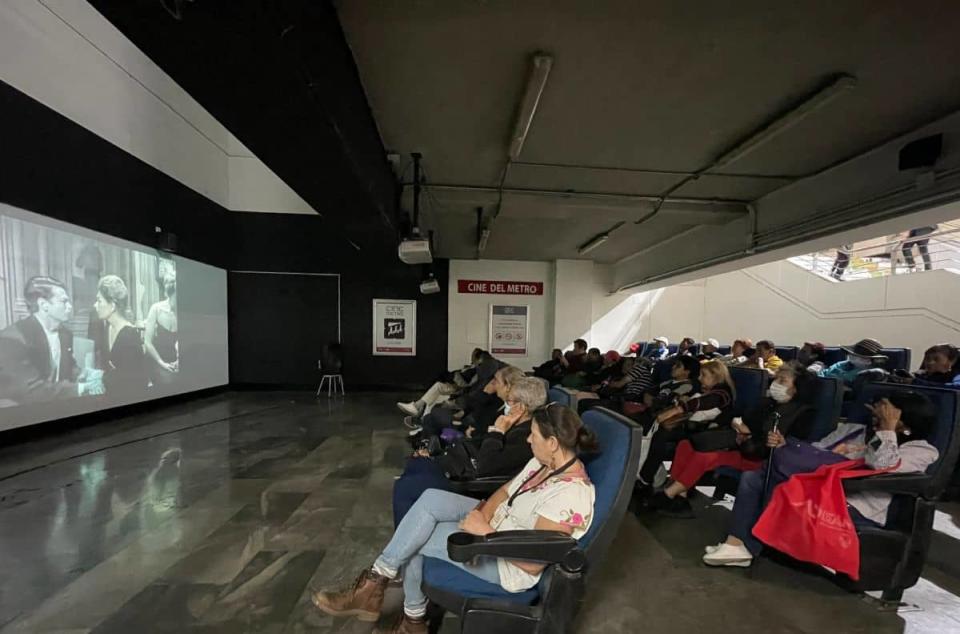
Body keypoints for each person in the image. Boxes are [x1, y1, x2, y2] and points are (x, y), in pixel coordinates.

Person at [312, 404, 598, 633]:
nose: (527, 439)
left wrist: (483, 533)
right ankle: (385, 591)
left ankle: (400, 610)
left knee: (416, 537)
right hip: (496, 523)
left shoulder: (571, 495)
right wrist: (481, 515)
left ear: (552, 442)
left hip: (508, 563)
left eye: (532, 435)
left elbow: (533, 563)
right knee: (431, 500)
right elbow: (504, 491)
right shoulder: (543, 462)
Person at [703, 390, 938, 567]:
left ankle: (743, 547)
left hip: (855, 505)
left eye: (884, 410)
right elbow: (826, 453)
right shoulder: (867, 435)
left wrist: (887, 428)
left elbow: (883, 466)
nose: (875, 413)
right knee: (755, 477)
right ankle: (737, 543)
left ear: (904, 419)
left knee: (772, 484)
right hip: (830, 491)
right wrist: (790, 447)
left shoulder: (923, 450)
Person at [647, 363, 817, 517]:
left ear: (797, 388)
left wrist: (753, 433)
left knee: (705, 456)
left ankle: (668, 494)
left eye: (783, 380)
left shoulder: (803, 413)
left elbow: (795, 444)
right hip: (739, 445)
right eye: (777, 378)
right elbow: (742, 416)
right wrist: (738, 425)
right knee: (686, 444)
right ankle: (681, 497)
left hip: (762, 458)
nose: (776, 383)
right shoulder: (767, 402)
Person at [391, 377, 546, 527]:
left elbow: (486, 465)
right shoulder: (512, 423)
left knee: (405, 487)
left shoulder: (526, 437)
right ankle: (411, 531)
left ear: (521, 408)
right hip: (463, 461)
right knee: (414, 464)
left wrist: (497, 432)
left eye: (510, 401)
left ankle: (405, 540)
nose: (506, 403)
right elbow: (480, 442)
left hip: (468, 480)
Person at [0, 276, 103, 403]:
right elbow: (31, 391)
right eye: (64, 301)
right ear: (44, 305)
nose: (70, 307)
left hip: (56, 405)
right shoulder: (13, 339)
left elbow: (69, 368)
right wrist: (82, 388)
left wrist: (89, 374)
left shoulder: (65, 334)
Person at [636, 360, 734, 491]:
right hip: (695, 427)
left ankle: (646, 479)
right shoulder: (712, 389)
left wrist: (677, 409)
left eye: (703, 375)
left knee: (661, 435)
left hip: (707, 433)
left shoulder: (723, 392)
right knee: (658, 431)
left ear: (716, 376)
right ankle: (646, 475)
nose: (699, 379)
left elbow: (704, 402)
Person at [412, 365, 523, 439]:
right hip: (470, 427)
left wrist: (484, 393)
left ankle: (428, 446)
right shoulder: (500, 401)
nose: (493, 383)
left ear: (507, 386)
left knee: (434, 416)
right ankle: (428, 446)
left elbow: (482, 422)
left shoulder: (508, 409)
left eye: (496, 381)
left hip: (472, 435)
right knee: (429, 419)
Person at [93, 275, 147, 397]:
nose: (95, 305)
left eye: (99, 301)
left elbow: (132, 384)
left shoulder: (130, 336)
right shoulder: (107, 328)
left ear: (112, 306)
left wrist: (102, 381)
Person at [398, 349, 488, 417]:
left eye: (473, 355)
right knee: (436, 388)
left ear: (479, 358)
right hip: (455, 386)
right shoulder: (472, 367)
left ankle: (418, 408)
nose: (471, 357)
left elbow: (468, 385)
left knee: (437, 388)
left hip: (457, 389)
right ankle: (419, 410)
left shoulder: (477, 370)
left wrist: (456, 380)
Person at [144, 271, 178, 386]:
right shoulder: (156, 309)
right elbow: (147, 342)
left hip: (175, 362)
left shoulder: (185, 313)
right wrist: (162, 363)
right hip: (157, 360)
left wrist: (179, 361)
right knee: (168, 381)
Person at [818, 338, 887, 387]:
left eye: (856, 355)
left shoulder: (868, 374)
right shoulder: (841, 364)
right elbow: (824, 373)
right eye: (851, 354)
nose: (851, 356)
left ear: (869, 361)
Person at [895, 344, 960, 388]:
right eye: (927, 359)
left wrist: (916, 382)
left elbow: (953, 388)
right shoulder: (920, 375)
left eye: (936, 359)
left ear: (950, 362)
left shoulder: (956, 377)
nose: (930, 362)